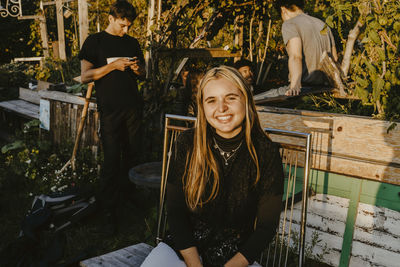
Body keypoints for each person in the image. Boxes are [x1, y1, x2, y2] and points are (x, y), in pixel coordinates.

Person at [141, 66, 284, 267]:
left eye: (231, 98)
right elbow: (175, 211)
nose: (222, 108)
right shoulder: (186, 143)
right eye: (211, 100)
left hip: (237, 256)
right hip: (184, 248)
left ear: (246, 100)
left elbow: (266, 227)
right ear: (202, 106)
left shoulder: (266, 152)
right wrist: (194, 263)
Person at [78, 1, 146, 218]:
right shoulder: (94, 41)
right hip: (110, 110)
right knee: (111, 159)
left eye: (129, 26)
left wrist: (138, 70)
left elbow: (144, 73)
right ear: (110, 19)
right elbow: (85, 76)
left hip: (133, 108)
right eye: (122, 25)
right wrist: (112, 66)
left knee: (133, 155)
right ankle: (108, 208)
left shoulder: (132, 43)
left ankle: (130, 200)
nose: (125, 30)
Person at [275, 0, 338, 96]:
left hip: (304, 87)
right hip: (326, 87)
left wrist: (295, 85)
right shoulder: (322, 24)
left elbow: (296, 56)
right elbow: (335, 58)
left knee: (254, 99)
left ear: (283, 9)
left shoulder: (290, 24)